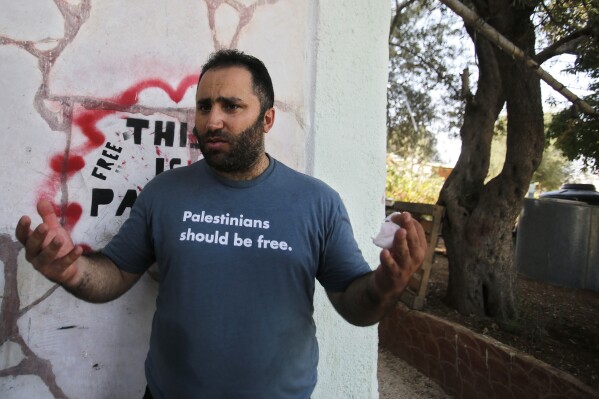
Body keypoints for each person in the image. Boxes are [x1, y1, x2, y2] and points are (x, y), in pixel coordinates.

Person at [16, 49, 426, 399]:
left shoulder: (317, 203)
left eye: (231, 106)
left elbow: (353, 303)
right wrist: (73, 270)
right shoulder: (164, 193)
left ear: (266, 120)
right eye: (204, 106)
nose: (212, 121)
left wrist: (382, 288)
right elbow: (115, 273)